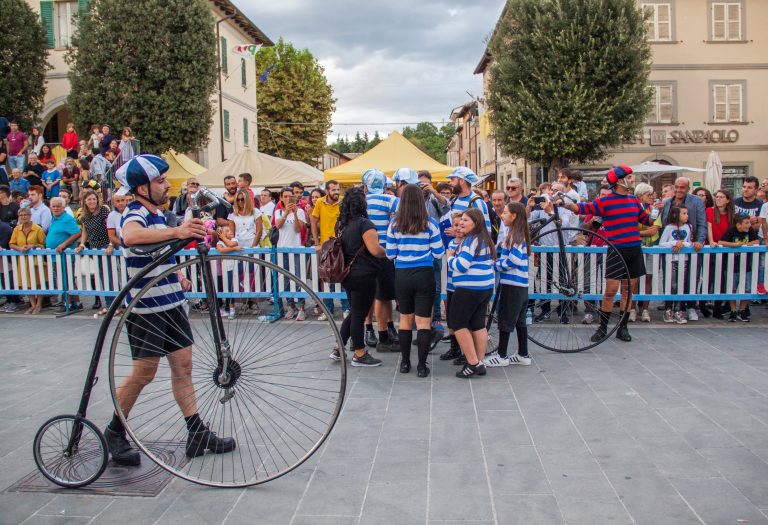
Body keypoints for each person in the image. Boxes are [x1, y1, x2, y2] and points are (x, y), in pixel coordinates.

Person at [107, 153, 235, 466]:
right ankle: (114, 431)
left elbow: (164, 247)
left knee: (183, 366)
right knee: (145, 372)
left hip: (171, 302)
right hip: (147, 308)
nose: (166, 185)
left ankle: (197, 432)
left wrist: (178, 270)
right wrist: (178, 232)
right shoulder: (135, 212)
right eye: (160, 181)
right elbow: (132, 237)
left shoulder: (161, 214)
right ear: (141, 188)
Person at [563, 165, 652, 342]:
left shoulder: (634, 201)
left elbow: (647, 220)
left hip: (634, 249)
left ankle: (623, 327)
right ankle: (602, 327)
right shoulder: (606, 201)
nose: (632, 180)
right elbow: (583, 208)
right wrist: (565, 203)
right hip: (616, 249)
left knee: (629, 290)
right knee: (611, 290)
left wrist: (657, 211)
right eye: (629, 177)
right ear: (620, 180)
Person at [385, 184, 445, 377]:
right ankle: (421, 365)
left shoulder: (394, 224)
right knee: (423, 322)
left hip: (402, 275)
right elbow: (438, 252)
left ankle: (404, 363)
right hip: (424, 274)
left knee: (405, 320)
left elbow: (390, 254)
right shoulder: (430, 224)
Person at [328, 187, 385, 366]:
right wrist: (389, 252)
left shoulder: (341, 224)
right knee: (359, 314)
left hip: (347, 273)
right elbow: (375, 250)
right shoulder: (365, 224)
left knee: (354, 312)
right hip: (364, 274)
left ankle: (338, 348)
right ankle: (359, 354)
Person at [448, 207, 494, 378]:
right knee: (478, 324)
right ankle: (479, 362)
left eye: (466, 220)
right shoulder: (485, 239)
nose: (461, 222)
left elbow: (462, 265)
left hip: (469, 288)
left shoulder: (469, 241)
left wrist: (451, 257)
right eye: (462, 219)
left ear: (476, 223)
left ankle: (473, 362)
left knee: (458, 323)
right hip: (485, 287)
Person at [485, 201, 532, 367]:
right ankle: (522, 354)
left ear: (514, 216)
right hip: (521, 285)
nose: (501, 215)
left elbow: (514, 260)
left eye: (505, 213)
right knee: (520, 321)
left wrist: (496, 265)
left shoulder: (514, 236)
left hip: (512, 284)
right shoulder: (518, 234)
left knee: (506, 320)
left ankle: (502, 355)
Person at [661, 177, 707, 321]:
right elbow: (663, 225)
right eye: (677, 187)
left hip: (690, 248)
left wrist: (699, 241)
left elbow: (702, 223)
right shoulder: (668, 202)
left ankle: (689, 306)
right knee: (670, 280)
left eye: (682, 187)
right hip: (671, 251)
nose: (679, 190)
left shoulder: (696, 201)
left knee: (691, 277)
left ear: (688, 188)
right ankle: (669, 307)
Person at [364, 169, 400, 350]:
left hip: (364, 252)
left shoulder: (360, 201)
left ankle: (370, 328)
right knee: (383, 295)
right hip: (385, 252)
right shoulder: (391, 200)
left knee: (372, 294)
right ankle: (384, 330)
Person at [418, 170, 451, 343]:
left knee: (437, 287)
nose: (422, 187)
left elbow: (447, 205)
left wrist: (433, 191)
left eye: (425, 183)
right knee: (420, 288)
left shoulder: (434, 199)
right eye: (420, 184)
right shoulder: (413, 201)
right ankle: (422, 322)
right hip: (418, 251)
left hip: (434, 249)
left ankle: (436, 320)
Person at [311, 180, 346, 318]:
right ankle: (328, 310)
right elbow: (313, 221)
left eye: (338, 189)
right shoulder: (320, 202)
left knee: (343, 275)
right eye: (333, 190)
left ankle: (346, 308)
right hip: (325, 245)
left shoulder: (343, 201)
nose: (336, 192)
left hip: (341, 244)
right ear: (327, 191)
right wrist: (316, 242)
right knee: (326, 277)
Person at [76, 189, 112, 315]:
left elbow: (110, 227)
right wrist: (81, 244)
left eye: (93, 199)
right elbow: (84, 231)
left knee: (109, 275)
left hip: (106, 245)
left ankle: (113, 304)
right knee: (101, 275)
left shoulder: (103, 211)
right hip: (93, 247)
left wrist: (111, 244)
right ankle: (109, 304)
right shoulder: (85, 216)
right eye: (89, 199)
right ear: (85, 201)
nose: (92, 201)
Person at [274, 186, 307, 320]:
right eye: (285, 196)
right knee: (285, 279)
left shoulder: (300, 212)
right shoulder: (278, 212)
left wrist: (294, 213)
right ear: (281, 198)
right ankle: (290, 306)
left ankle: (301, 308)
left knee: (298, 278)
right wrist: (286, 213)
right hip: (282, 249)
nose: (288, 199)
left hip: (296, 248)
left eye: (290, 196)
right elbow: (278, 226)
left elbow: (298, 229)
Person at [718, 214, 759, 322]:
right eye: (746, 223)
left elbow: (757, 241)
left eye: (749, 222)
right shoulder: (731, 231)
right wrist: (734, 245)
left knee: (747, 288)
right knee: (731, 288)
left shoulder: (750, 231)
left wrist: (745, 246)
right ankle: (733, 310)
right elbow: (721, 242)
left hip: (746, 265)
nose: (749, 225)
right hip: (731, 265)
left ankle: (742, 310)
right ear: (738, 225)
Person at [46, 197, 83, 312]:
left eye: (58, 206)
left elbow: (77, 233)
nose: (56, 208)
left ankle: (70, 304)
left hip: (65, 255)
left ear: (63, 207)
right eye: (54, 206)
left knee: (67, 279)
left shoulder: (67, 218)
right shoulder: (54, 218)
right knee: (65, 279)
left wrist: (64, 244)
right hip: (56, 255)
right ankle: (76, 303)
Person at [659, 206, 693, 324]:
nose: (686, 216)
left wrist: (683, 244)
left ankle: (678, 309)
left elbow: (690, 242)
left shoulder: (689, 227)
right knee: (671, 284)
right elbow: (662, 243)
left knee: (681, 284)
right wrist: (674, 243)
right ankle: (668, 309)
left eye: (687, 213)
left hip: (684, 260)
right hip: (671, 260)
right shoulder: (669, 228)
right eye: (684, 213)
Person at [9, 207, 46, 314]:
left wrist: (33, 246)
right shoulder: (17, 229)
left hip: (36, 260)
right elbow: (11, 244)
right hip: (23, 260)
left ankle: (39, 304)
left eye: (25, 215)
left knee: (38, 282)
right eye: (21, 215)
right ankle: (32, 305)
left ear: (30, 216)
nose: (23, 217)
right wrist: (20, 248)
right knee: (27, 282)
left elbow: (43, 244)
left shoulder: (37, 228)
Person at [634, 183, 662, 323]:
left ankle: (645, 309)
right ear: (640, 196)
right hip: (636, 247)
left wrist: (635, 233)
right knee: (634, 279)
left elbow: (653, 230)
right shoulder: (633, 209)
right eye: (648, 195)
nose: (651, 197)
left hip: (651, 246)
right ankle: (632, 309)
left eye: (652, 194)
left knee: (648, 278)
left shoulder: (654, 210)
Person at [447, 166, 491, 235]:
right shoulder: (454, 200)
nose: (450, 183)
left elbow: (486, 231)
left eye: (452, 179)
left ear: (461, 181)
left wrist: (457, 233)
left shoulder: (477, 202)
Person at [215, 224, 242, 320]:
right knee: (229, 288)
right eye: (227, 231)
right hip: (226, 269)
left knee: (235, 286)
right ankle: (231, 309)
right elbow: (221, 250)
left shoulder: (234, 240)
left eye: (230, 230)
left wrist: (231, 246)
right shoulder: (219, 242)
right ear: (221, 234)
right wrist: (234, 249)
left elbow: (231, 244)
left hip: (236, 267)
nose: (231, 232)